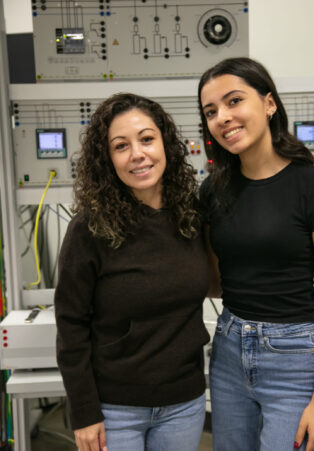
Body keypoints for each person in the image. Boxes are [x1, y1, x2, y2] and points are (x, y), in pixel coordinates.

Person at [198, 57, 314, 451]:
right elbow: (215, 281)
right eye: (211, 111)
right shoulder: (213, 190)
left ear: (268, 104)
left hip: (294, 356)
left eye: (233, 101)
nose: (222, 117)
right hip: (229, 346)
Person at [54, 93, 210, 451]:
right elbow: (71, 324)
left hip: (183, 404)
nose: (138, 154)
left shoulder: (191, 216)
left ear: (165, 143)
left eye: (147, 139)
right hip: (114, 410)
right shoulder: (89, 229)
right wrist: (84, 411)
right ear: (108, 160)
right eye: (121, 146)